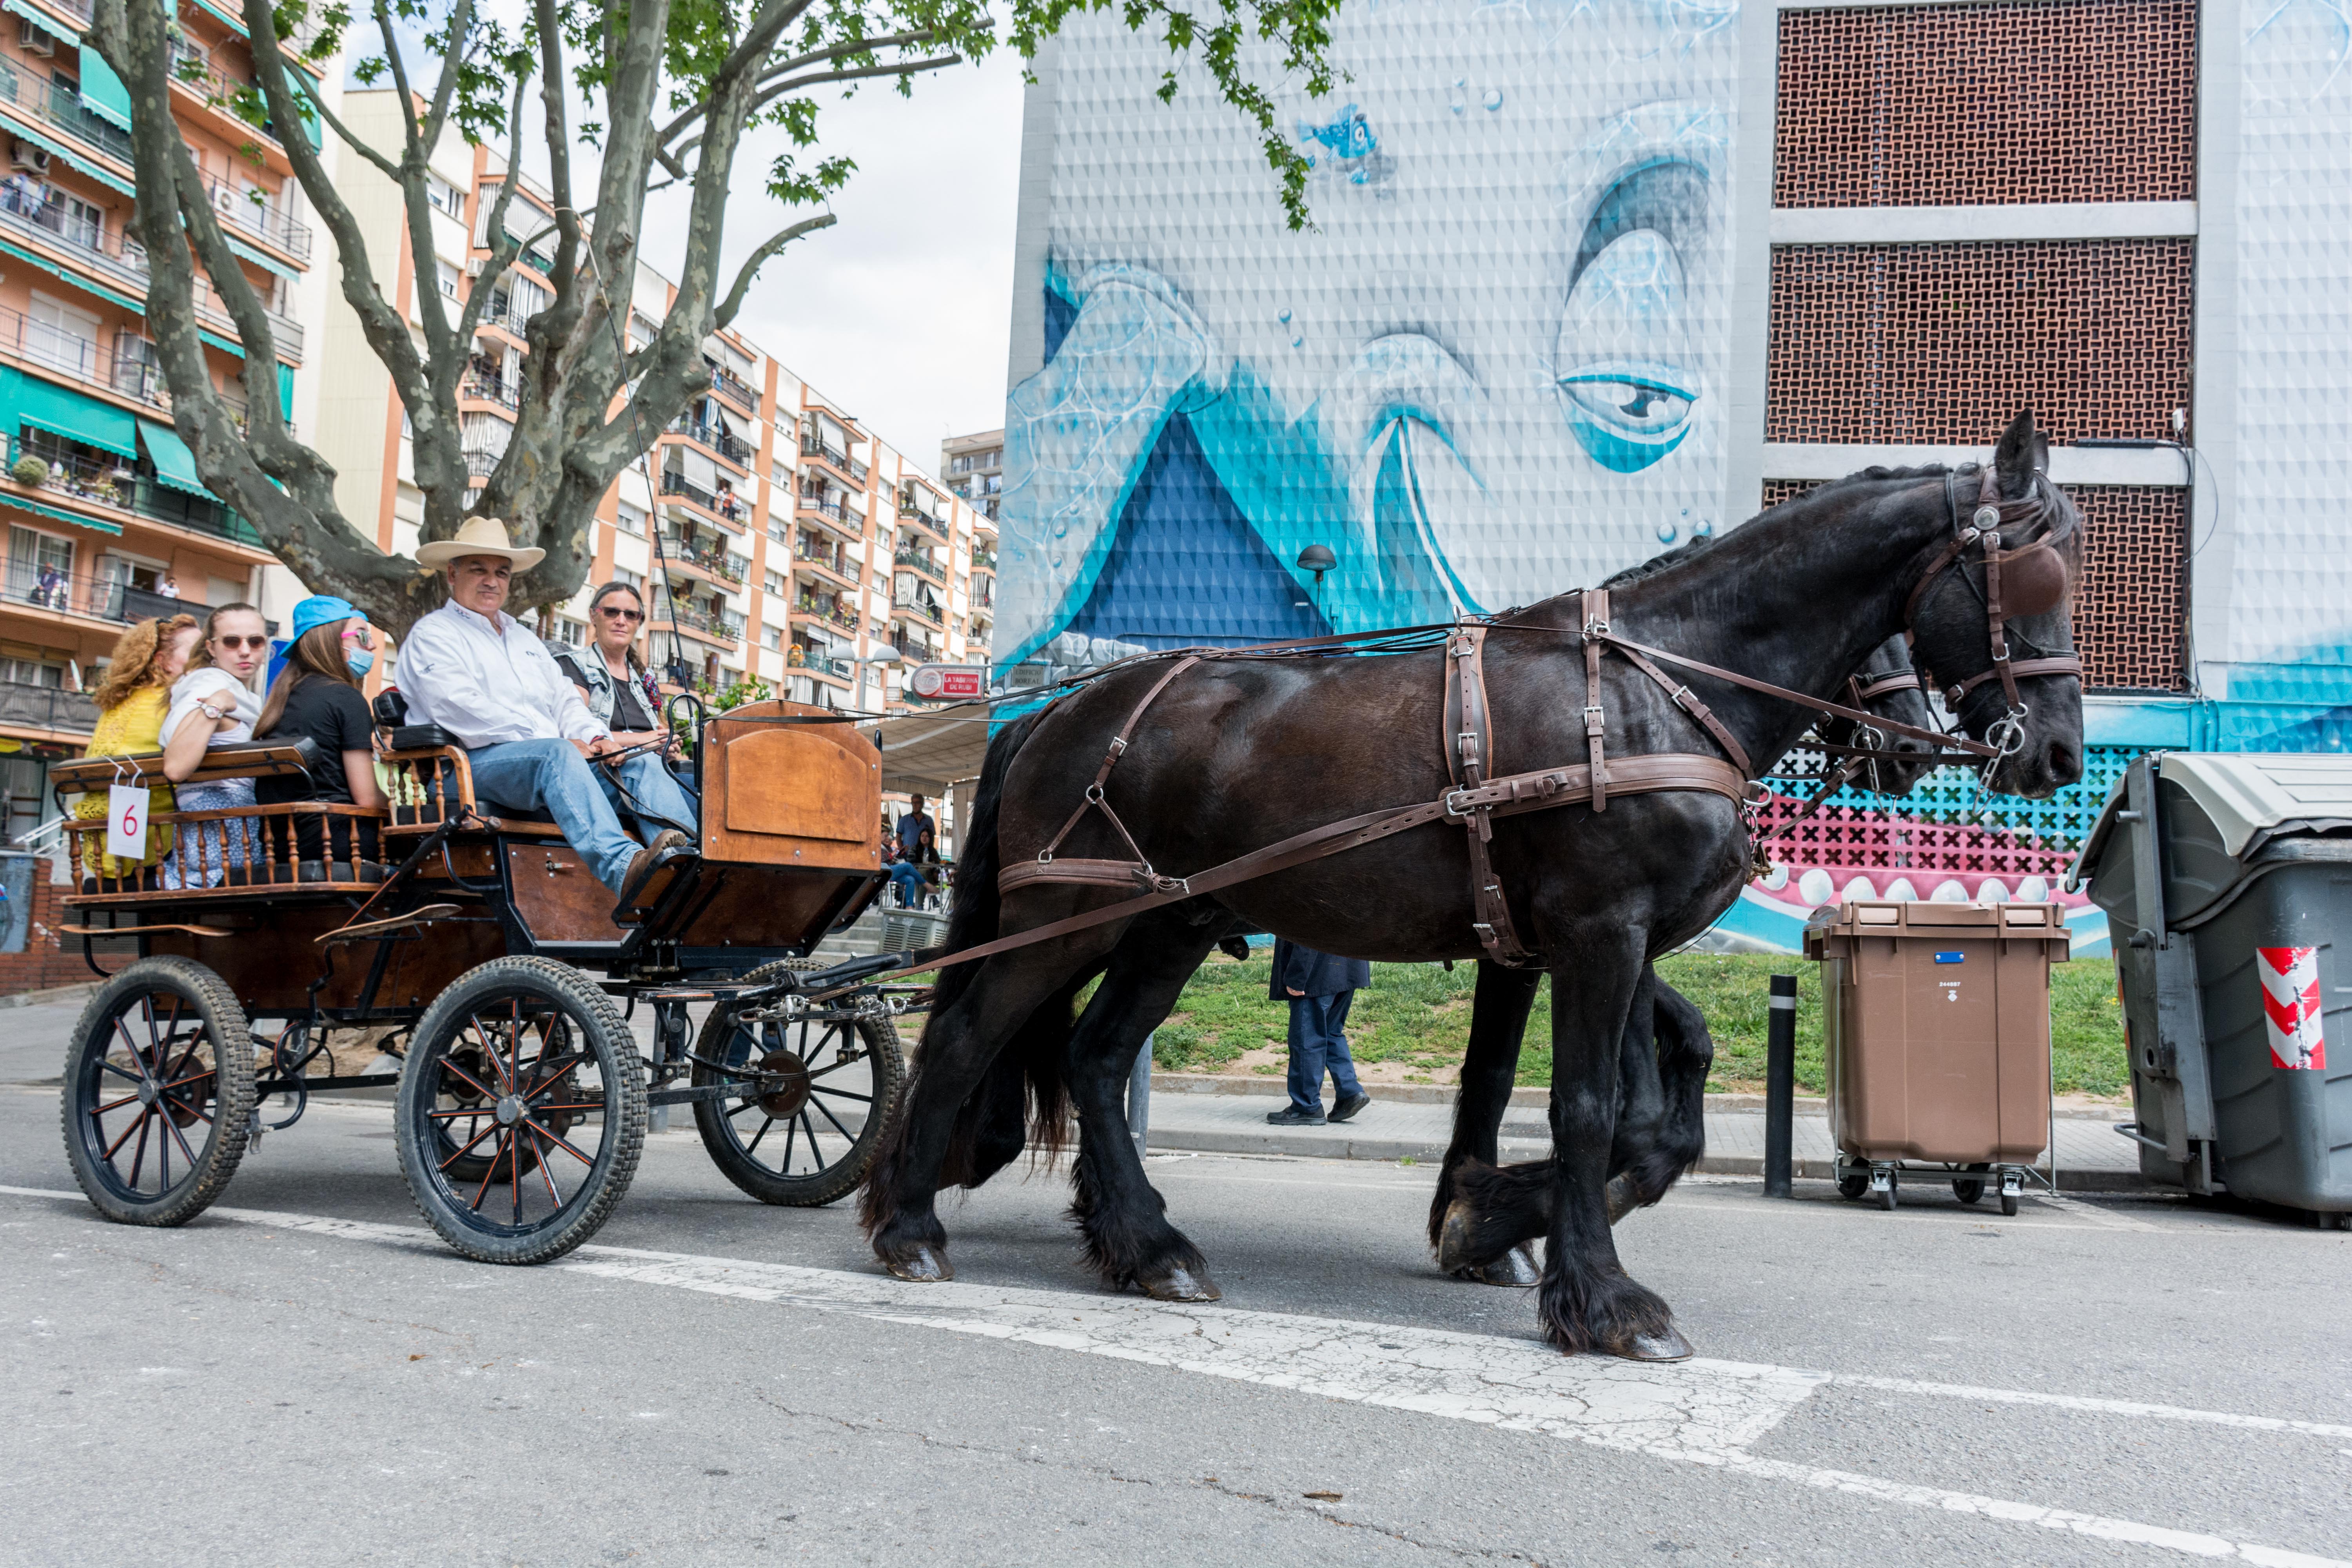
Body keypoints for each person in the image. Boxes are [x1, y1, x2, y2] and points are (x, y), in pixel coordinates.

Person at [396, 517, 697, 906]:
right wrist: (562, 743)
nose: (492, 581)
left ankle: (689, 870)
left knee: (642, 763)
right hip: (467, 768)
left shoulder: (524, 638)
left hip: (546, 764)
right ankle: (625, 870)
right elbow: (462, 710)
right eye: (479, 570)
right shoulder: (433, 634)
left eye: (501, 572)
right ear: (452, 574)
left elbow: (564, 700)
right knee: (555, 756)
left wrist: (596, 739)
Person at [252, 596, 387, 873]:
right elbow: (367, 799)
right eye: (362, 636)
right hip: (339, 839)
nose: (371, 645)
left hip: (278, 845)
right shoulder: (345, 698)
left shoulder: (281, 700)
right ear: (329, 640)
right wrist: (399, 810)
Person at [72, 613, 199, 880]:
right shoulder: (174, 703)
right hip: (152, 850)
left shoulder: (122, 702)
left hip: (104, 845)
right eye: (195, 652)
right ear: (162, 661)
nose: (205, 660)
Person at [158, 603, 270, 887]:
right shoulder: (208, 685)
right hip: (218, 853)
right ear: (211, 647)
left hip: (225, 843)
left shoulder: (241, 694)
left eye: (255, 641)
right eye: (232, 642)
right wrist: (217, 704)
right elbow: (175, 767)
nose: (245, 651)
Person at [552, 581, 674, 758]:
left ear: (639, 622)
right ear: (593, 616)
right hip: (608, 765)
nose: (621, 621)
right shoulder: (571, 665)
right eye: (612, 612)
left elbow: (658, 733)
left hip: (654, 764)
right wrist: (642, 740)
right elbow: (575, 728)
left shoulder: (646, 677)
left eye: (631, 615)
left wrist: (667, 745)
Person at [1264, 937, 1373, 1127]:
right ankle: (1350, 1092)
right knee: (1331, 1032)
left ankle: (1307, 1108)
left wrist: (1298, 976)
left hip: (1316, 972)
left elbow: (1307, 930)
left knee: (1307, 1038)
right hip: (1349, 965)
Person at [894, 794, 935, 860]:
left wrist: (930, 851)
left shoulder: (929, 820)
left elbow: (932, 837)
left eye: (917, 803)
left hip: (923, 856)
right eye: (913, 803)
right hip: (907, 855)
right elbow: (898, 836)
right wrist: (902, 850)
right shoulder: (904, 819)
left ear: (922, 804)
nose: (915, 805)